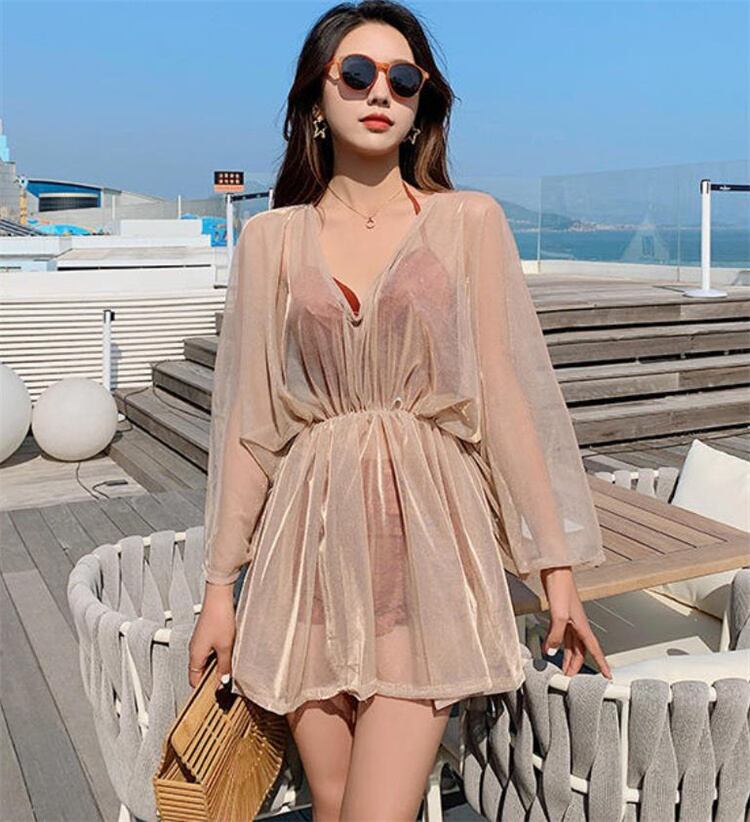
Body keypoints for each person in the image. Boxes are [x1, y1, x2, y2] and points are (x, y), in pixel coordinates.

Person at [188, 1, 613, 819]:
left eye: (404, 78)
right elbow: (250, 429)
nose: (380, 91)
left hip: (428, 554)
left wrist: (556, 573)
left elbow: (504, 400)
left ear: (424, 104)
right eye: (356, 73)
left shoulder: (466, 221)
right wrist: (219, 592)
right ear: (316, 98)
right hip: (306, 557)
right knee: (333, 801)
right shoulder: (269, 239)